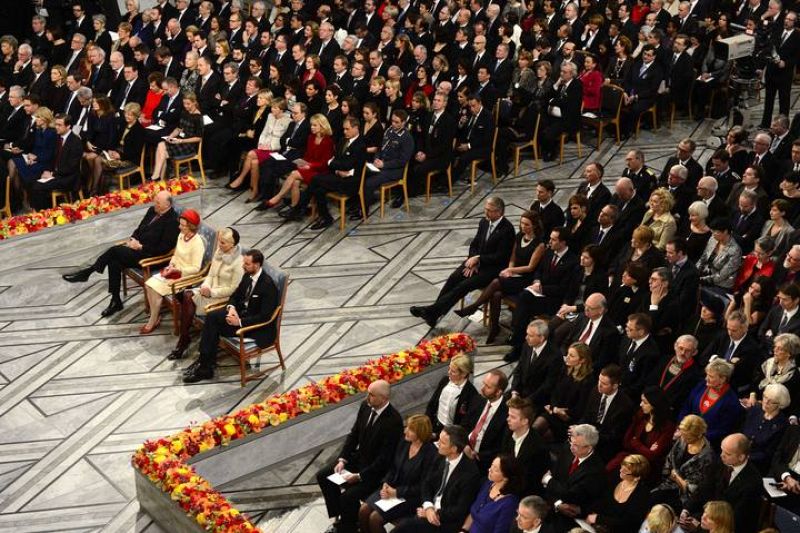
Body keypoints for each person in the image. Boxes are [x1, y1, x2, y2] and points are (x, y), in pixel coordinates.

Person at [62, 191, 179, 317]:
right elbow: (139, 229)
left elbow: (164, 249)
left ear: (167, 205)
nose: (154, 204)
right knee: (114, 262)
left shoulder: (172, 221)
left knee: (115, 250)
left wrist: (140, 246)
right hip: (136, 249)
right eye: (155, 200)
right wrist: (133, 240)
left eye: (158, 203)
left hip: (151, 256)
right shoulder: (152, 210)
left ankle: (88, 272)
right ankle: (115, 300)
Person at [410, 197, 515, 328]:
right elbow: (474, 244)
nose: (485, 213)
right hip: (476, 262)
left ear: (499, 212)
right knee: (454, 277)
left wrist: (479, 259)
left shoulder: (507, 230)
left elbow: (501, 256)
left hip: (492, 268)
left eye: (489, 210)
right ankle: (434, 312)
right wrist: (473, 259)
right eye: (485, 209)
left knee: (464, 285)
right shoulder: (484, 222)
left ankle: (432, 312)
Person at [316, 380, 403, 533]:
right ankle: (346, 517)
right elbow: (354, 435)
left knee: (348, 497)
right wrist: (342, 459)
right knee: (323, 475)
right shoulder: (365, 406)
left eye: (371, 395)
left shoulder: (394, 421)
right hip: (359, 460)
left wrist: (359, 476)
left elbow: (384, 460)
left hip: (375, 473)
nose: (367, 397)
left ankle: (346, 527)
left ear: (383, 398)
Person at [182, 249, 279, 383]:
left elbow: (265, 317)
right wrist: (231, 308)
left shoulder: (268, 286)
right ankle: (205, 362)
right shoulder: (247, 276)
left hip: (255, 327)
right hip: (240, 314)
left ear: (257, 265)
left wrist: (239, 322)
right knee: (212, 316)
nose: (243, 266)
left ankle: (205, 365)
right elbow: (235, 296)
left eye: (247, 264)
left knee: (213, 328)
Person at [456, 211, 545, 343]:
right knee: (496, 294)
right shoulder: (519, 236)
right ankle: (494, 328)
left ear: (534, 226)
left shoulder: (539, 244)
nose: (523, 226)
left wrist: (510, 270)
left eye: (527, 224)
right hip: (514, 274)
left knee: (497, 282)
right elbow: (512, 257)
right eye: (521, 223)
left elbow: (530, 267)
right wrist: (509, 270)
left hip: (526, 279)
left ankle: (474, 306)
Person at [169, 227, 243, 361]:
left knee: (187, 297)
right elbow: (211, 274)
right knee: (184, 295)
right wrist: (206, 285)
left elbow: (233, 289)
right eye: (219, 241)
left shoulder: (239, 263)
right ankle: (184, 338)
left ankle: (184, 339)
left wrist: (211, 292)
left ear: (233, 245)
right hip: (207, 290)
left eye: (223, 243)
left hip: (222, 298)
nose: (219, 245)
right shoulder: (219, 252)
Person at [393, 425, 482, 533]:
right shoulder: (439, 456)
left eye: (442, 442)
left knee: (402, 528)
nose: (437, 443)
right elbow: (426, 483)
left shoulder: (470, 474)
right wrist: (428, 506)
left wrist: (435, 513)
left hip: (445, 521)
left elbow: (459, 510)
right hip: (428, 509)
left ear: (454, 449)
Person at [358, 414, 438, 533]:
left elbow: (423, 486)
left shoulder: (431, 454)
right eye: (407, 427)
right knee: (363, 510)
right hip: (392, 488)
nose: (405, 431)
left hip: (410, 497)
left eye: (410, 429)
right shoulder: (404, 442)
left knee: (375, 519)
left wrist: (396, 492)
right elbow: (393, 468)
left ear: (420, 433)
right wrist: (386, 484)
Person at [140, 208, 205, 334]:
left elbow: (196, 269)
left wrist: (178, 269)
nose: (179, 227)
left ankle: (152, 320)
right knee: (148, 285)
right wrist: (171, 265)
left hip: (185, 276)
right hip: (173, 271)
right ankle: (156, 315)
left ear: (191, 226)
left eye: (182, 225)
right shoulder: (181, 235)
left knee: (156, 291)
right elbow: (175, 255)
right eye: (180, 224)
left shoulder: (198, 243)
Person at [299, 117, 367, 230]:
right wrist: (336, 167)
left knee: (316, 179)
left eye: (347, 129)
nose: (345, 131)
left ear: (356, 128)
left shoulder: (361, 145)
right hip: (337, 176)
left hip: (350, 182)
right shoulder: (342, 140)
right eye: (344, 129)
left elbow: (346, 165)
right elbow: (335, 160)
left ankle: (300, 207)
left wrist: (335, 164)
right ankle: (325, 217)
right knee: (318, 189)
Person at [265, 113, 334, 213]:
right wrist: (302, 162)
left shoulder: (328, 141)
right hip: (309, 167)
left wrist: (310, 165)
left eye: (315, 125)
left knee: (293, 174)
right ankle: (294, 208)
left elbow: (325, 163)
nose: (312, 127)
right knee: (295, 181)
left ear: (322, 126)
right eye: (311, 125)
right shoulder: (311, 137)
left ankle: (277, 198)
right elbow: (307, 155)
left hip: (320, 171)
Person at [542, 424, 608, 526]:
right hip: (553, 506)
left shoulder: (595, 470)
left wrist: (548, 480)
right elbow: (555, 479)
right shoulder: (568, 450)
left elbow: (569, 495)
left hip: (573, 518)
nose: (571, 447)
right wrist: (557, 504)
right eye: (571, 442)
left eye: (576, 445)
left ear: (589, 448)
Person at [651, 415, 718, 512]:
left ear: (699, 435)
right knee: (651, 499)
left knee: (664, 512)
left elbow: (695, 489)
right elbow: (669, 461)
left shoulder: (708, 457)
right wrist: (672, 476)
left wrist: (677, 477)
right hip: (668, 484)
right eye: (682, 434)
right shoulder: (682, 440)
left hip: (685, 498)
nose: (683, 438)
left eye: (687, 436)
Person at [608, 386, 676, 480]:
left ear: (654, 404)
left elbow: (652, 456)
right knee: (609, 471)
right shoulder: (641, 415)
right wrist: (645, 449)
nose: (640, 404)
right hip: (628, 456)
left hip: (646, 467)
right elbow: (626, 442)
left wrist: (635, 441)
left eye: (645, 402)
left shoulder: (668, 427)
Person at [533, 342, 594, 442]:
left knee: (541, 439)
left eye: (572, 355)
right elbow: (555, 392)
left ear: (582, 360)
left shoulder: (588, 381)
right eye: (568, 354)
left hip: (568, 420)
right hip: (554, 412)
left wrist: (562, 412)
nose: (567, 357)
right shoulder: (565, 369)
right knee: (536, 428)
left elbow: (580, 408)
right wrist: (554, 408)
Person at [679, 359, 744, 447]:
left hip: (706, 444)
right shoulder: (701, 385)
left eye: (711, 376)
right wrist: (682, 427)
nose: (706, 378)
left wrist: (697, 437)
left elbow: (723, 430)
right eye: (707, 375)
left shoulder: (731, 401)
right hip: (683, 435)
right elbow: (686, 406)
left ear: (723, 379)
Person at [26, 113, 83, 210]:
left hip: (68, 177)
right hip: (57, 174)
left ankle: (44, 213)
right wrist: (48, 171)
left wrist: (53, 174)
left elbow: (71, 167)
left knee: (38, 187)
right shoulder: (58, 138)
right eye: (56, 124)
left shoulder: (75, 142)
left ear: (68, 126)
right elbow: (53, 158)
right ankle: (42, 211)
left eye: (59, 125)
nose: (56, 127)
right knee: (31, 181)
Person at [579, 364, 636, 461]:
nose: (599, 386)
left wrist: (590, 437)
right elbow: (586, 416)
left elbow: (614, 437)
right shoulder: (595, 391)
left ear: (615, 385)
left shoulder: (625, 405)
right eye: (599, 380)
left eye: (604, 384)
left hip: (605, 445)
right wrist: (579, 428)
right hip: (589, 434)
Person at [586, 454, 651, 533]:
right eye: (622, 467)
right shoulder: (616, 476)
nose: (620, 471)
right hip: (596, 526)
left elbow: (628, 523)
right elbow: (600, 499)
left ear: (637, 478)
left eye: (625, 471)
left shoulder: (642, 495)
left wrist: (598, 518)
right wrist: (585, 512)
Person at [7, 107, 57, 209]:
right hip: (35, 160)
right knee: (12, 162)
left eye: (38, 117)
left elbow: (51, 153)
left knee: (21, 171)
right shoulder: (38, 131)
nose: (36, 119)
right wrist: (30, 157)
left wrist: (36, 158)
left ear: (44, 118)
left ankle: (23, 197)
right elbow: (35, 148)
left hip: (45, 163)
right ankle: (21, 196)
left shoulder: (52, 133)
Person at [148, 91, 203, 181]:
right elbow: (179, 128)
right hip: (180, 140)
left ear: (194, 102)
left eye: (188, 104)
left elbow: (199, 138)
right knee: (161, 145)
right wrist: (170, 136)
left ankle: (157, 178)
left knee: (162, 151)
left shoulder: (198, 117)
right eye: (184, 103)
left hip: (188, 145)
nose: (186, 106)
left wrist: (182, 141)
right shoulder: (184, 112)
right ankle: (158, 178)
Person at [459, 454, 521, 533]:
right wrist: (463, 530)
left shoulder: (509, 503)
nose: (489, 470)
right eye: (491, 465)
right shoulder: (487, 485)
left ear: (506, 477)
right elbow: (473, 513)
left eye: (495, 469)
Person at [425, 354, 482, 436]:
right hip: (435, 426)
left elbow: (466, 423)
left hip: (451, 434)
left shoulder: (471, 394)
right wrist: (427, 426)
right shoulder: (444, 381)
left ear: (464, 374)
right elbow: (432, 404)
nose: (449, 373)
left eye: (453, 371)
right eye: (449, 369)